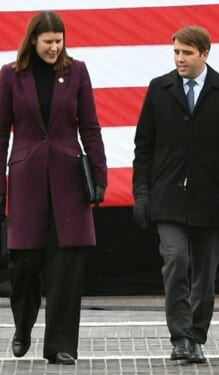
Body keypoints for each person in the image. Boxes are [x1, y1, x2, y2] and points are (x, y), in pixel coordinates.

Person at [132, 25, 219, 364]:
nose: (180, 58)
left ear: (204, 53)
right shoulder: (160, 89)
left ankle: (196, 335)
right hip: (167, 197)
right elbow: (144, 147)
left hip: (210, 199)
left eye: (186, 52)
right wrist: (141, 193)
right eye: (176, 52)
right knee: (176, 260)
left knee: (204, 274)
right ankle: (180, 337)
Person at [0, 10, 107, 365]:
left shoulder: (76, 72)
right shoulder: (11, 76)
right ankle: (23, 324)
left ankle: (61, 345)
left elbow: (90, 127)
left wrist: (99, 173)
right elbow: (1, 134)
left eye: (59, 41)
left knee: (66, 267)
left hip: (69, 181)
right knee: (25, 263)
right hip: (27, 180)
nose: (55, 47)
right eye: (48, 41)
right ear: (33, 40)